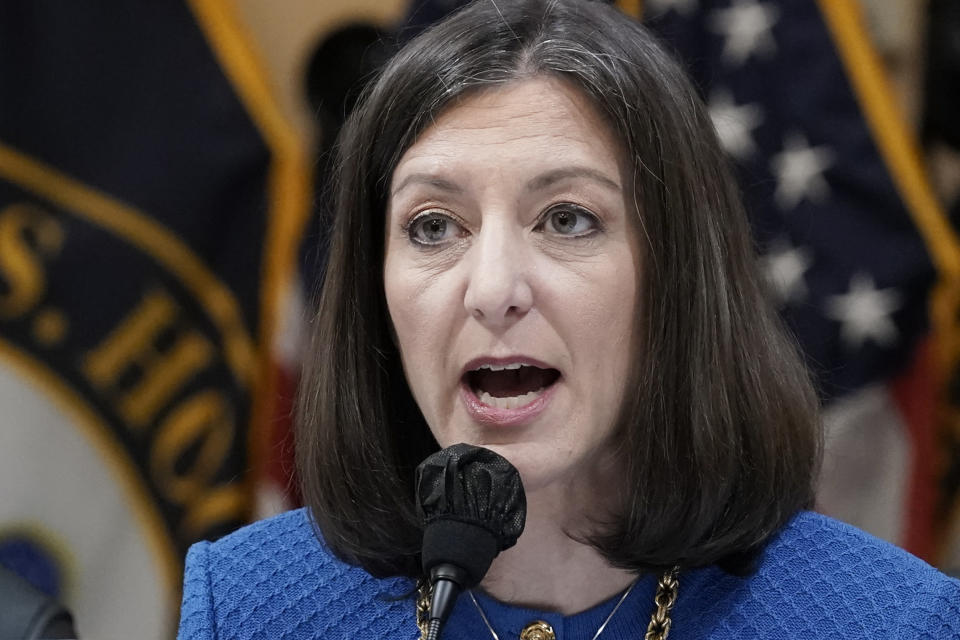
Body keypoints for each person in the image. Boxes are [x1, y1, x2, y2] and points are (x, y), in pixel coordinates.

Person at [177, 1, 960, 638]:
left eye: (566, 219)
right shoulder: (249, 607)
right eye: (433, 226)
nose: (491, 290)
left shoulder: (888, 621)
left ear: (677, 275)